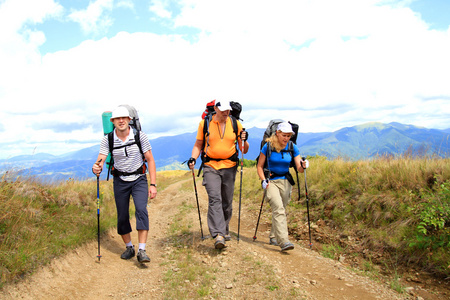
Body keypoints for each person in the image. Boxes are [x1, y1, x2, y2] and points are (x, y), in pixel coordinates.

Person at [92, 106, 157, 263]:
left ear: (129, 120)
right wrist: (96, 167)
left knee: (141, 210)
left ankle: (142, 250)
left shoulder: (140, 136)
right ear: (112, 121)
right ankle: (129, 247)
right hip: (120, 180)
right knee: (122, 215)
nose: (121, 121)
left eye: (124, 118)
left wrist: (153, 184)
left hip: (139, 178)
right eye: (117, 119)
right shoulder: (108, 139)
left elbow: (150, 159)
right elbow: (100, 158)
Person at [188, 101, 249, 249]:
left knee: (226, 201)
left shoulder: (235, 124)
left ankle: (225, 229)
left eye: (228, 110)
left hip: (230, 166)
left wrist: (244, 140)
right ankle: (218, 234)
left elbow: (244, 150)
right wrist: (193, 158)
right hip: (210, 166)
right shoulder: (205, 123)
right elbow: (198, 144)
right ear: (215, 109)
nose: (226, 113)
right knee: (215, 198)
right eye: (222, 110)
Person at [256, 121, 308, 252]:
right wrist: (263, 180)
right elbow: (259, 166)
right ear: (277, 134)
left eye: (289, 136)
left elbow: (299, 168)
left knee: (281, 209)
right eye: (284, 135)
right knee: (278, 209)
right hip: (270, 181)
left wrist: (303, 165)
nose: (286, 138)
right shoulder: (267, 146)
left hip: (285, 181)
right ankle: (284, 240)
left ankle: (273, 237)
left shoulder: (292, 146)